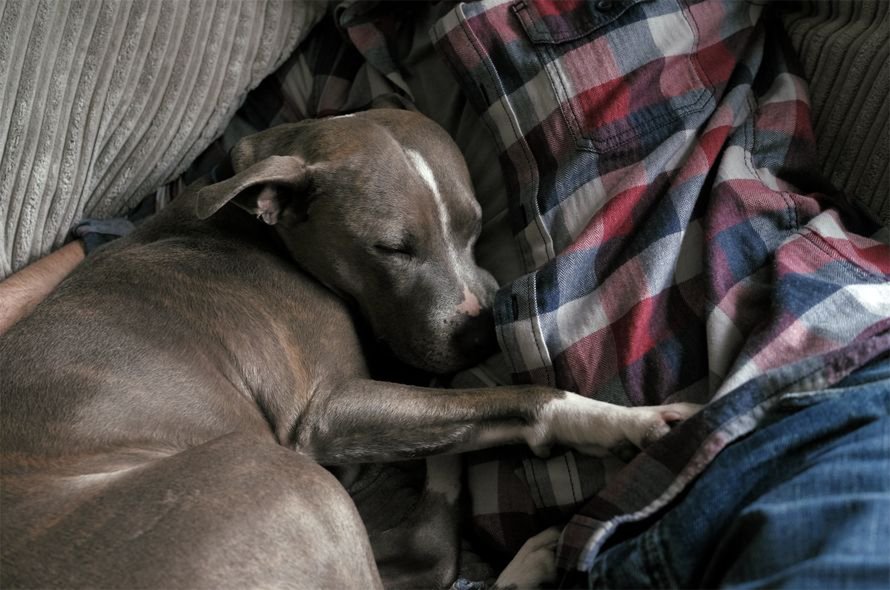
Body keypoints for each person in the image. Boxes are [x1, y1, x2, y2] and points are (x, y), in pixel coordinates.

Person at [4, 1, 887, 587]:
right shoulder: (351, 58)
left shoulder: (719, 16)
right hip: (614, 516)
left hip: (811, 377)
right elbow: (198, 198)